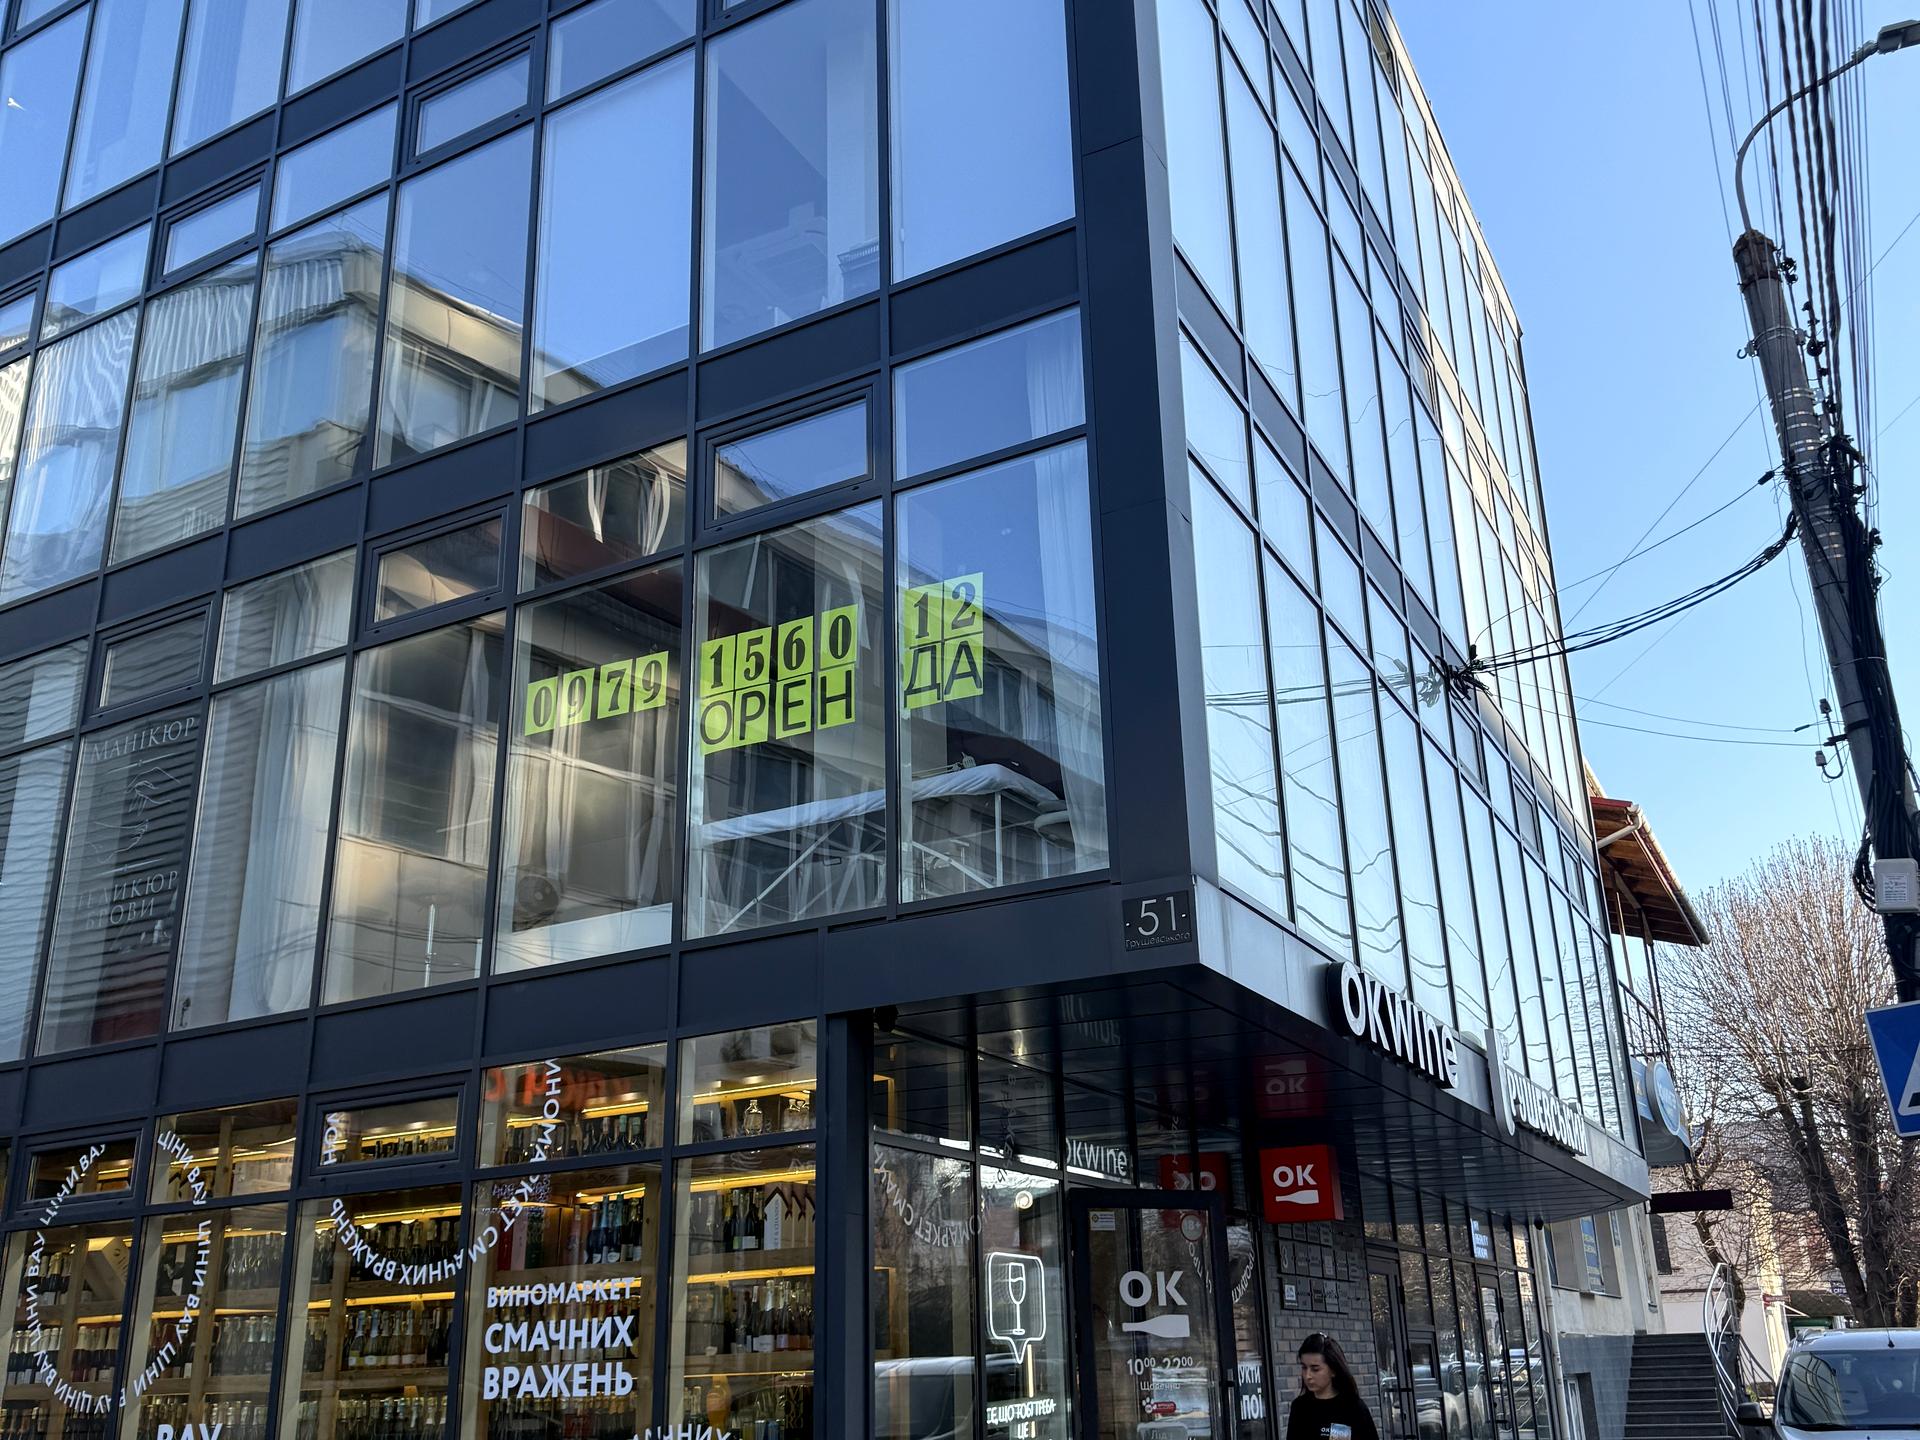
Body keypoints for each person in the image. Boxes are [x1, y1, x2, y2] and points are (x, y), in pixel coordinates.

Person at [1285, 1333, 1380, 1440]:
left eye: (1315, 1369)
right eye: (1304, 1368)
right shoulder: (1299, 1407)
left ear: (1333, 1370)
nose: (1308, 1376)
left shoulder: (1354, 1408)